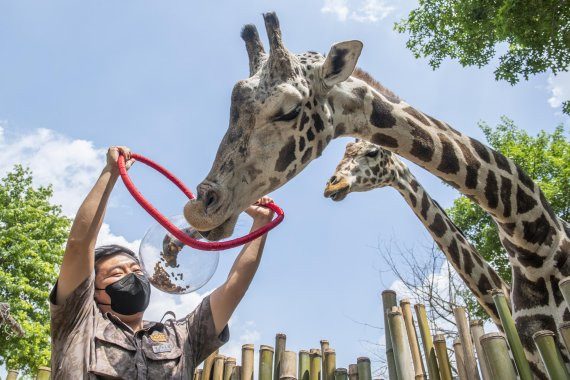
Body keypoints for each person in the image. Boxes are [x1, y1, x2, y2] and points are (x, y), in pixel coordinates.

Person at [49, 146, 275, 379]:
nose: (132, 275)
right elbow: (78, 246)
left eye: (136, 269)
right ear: (94, 292)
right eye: (117, 273)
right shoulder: (79, 324)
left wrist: (260, 222)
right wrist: (110, 173)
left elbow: (234, 288)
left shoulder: (182, 337)